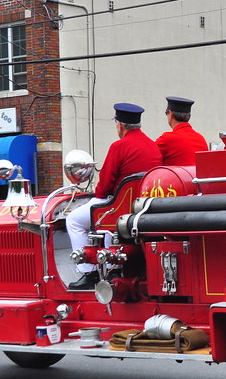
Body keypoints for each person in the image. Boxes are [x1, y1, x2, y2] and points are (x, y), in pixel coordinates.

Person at [66, 103, 162, 290]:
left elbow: (105, 183)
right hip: (143, 207)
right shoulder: (153, 146)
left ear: (119, 125)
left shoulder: (119, 146)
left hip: (118, 206)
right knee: (107, 225)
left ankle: (89, 272)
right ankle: (114, 269)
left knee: (73, 220)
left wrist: (98, 195)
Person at [156, 96, 207, 166]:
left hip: (174, 177)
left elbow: (150, 156)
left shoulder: (167, 138)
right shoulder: (201, 139)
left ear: (170, 114)